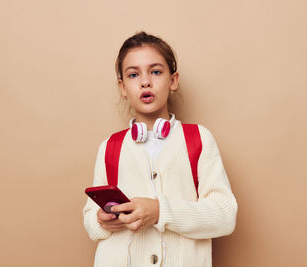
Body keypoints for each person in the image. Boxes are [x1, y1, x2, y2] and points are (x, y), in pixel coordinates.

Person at [83, 31, 238, 267]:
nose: (145, 81)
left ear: (173, 80)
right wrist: (101, 221)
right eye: (134, 74)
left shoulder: (198, 139)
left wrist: (159, 211)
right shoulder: (110, 147)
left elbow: (225, 217)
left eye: (155, 72)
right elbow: (91, 223)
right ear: (123, 87)